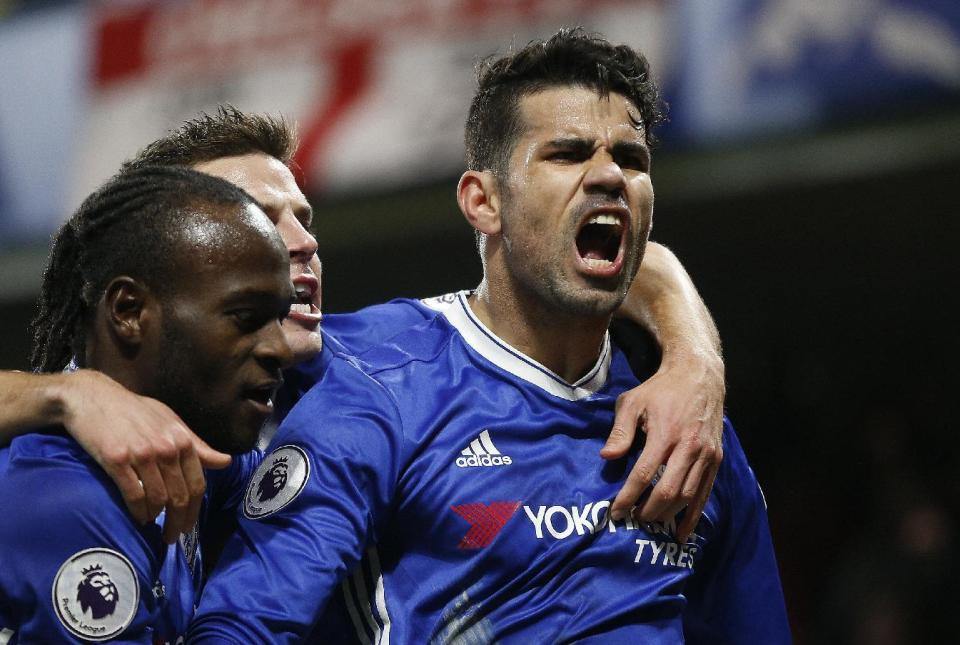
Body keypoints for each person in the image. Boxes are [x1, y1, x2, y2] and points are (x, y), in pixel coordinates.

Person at [189, 29, 790, 642]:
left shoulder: (692, 427)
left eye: (631, 160)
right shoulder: (369, 373)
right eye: (567, 153)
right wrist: (84, 394)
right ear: (483, 201)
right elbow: (244, 622)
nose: (609, 175)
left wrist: (694, 358)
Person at [0, 107, 725, 543]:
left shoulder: (359, 364)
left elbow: (641, 262)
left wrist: (695, 363)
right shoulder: (67, 451)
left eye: (302, 218)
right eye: (254, 221)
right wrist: (66, 397)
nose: (298, 241)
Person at [0, 166, 294, 642]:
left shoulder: (197, 451)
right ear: (129, 312)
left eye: (279, 317)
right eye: (246, 317)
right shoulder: (74, 503)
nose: (279, 348)